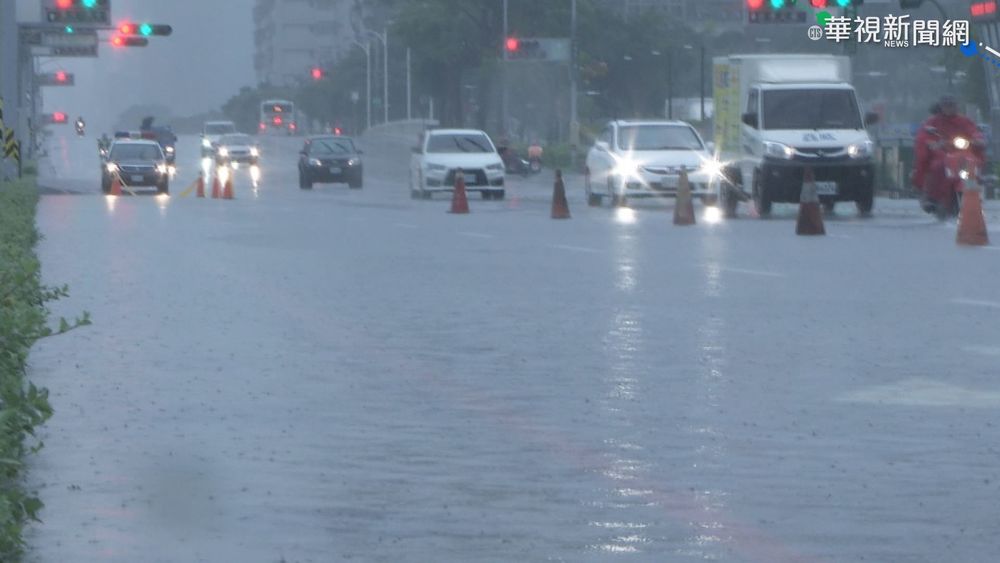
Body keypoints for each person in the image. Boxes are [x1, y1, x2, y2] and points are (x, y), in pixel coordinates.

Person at [912, 95, 985, 213]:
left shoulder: (964, 121)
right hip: (941, 153)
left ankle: (973, 190)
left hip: (962, 153)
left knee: (971, 166)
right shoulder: (933, 121)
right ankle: (932, 196)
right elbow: (924, 134)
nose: (949, 108)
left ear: (957, 106)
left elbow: (974, 131)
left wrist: (978, 139)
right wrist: (931, 143)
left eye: (952, 105)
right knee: (937, 166)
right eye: (946, 105)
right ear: (941, 107)